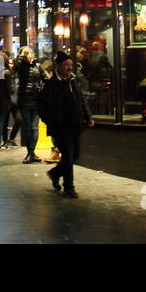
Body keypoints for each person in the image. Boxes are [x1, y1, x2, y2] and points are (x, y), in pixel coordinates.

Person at [37, 51, 94, 198]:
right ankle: (69, 187)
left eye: (71, 65)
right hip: (61, 127)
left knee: (74, 155)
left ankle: (55, 173)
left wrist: (88, 116)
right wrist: (50, 120)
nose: (69, 68)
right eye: (66, 65)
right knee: (68, 156)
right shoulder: (51, 84)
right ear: (59, 66)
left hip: (75, 124)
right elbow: (42, 105)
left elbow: (81, 99)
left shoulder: (73, 81)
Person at [15, 46, 45, 163]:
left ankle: (31, 152)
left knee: (34, 127)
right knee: (28, 127)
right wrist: (21, 57)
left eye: (29, 54)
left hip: (36, 100)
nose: (27, 56)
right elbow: (15, 67)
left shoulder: (38, 66)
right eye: (25, 54)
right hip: (24, 101)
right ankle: (30, 153)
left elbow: (45, 78)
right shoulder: (21, 66)